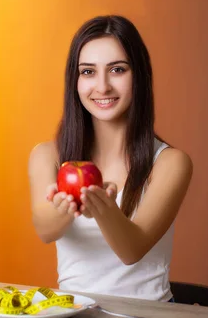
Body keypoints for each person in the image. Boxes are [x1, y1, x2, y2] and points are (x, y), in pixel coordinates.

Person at [28, 15, 193, 302]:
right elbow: (45, 230)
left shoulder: (171, 163)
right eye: (88, 72)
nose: (102, 87)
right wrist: (69, 205)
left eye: (117, 70)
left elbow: (132, 250)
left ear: (139, 76)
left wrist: (102, 209)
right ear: (75, 81)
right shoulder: (47, 156)